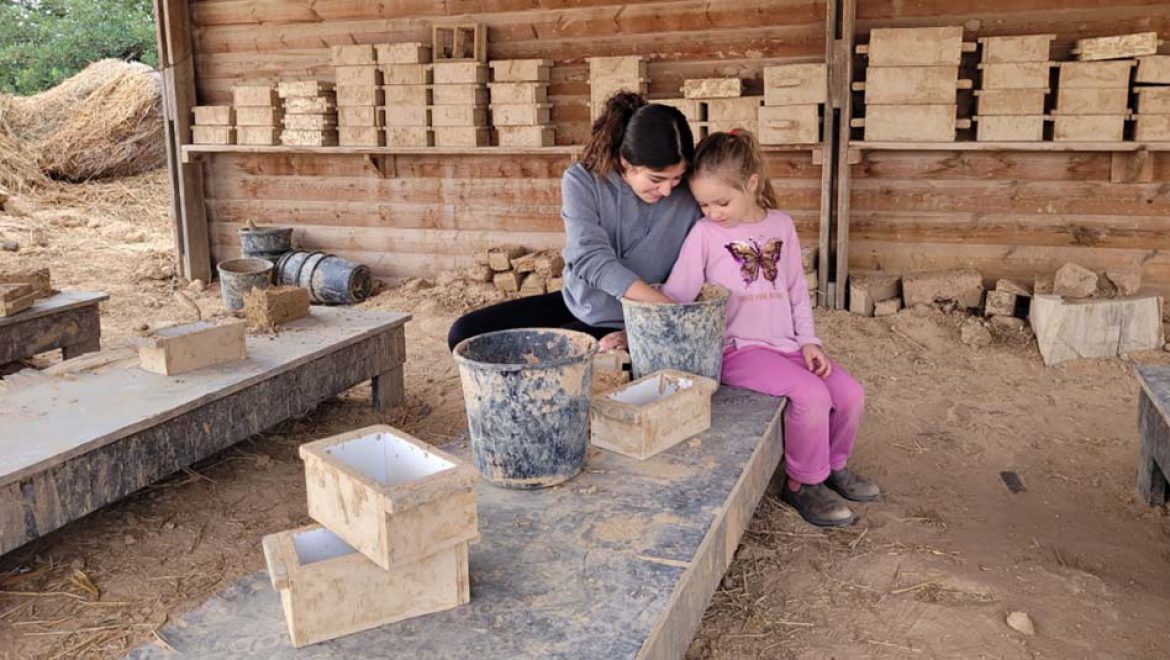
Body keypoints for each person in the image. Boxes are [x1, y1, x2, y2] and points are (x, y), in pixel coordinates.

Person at [661, 130, 879, 527]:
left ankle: (833, 466)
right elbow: (676, 294)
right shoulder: (705, 234)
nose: (712, 211)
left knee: (849, 394)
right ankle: (801, 484)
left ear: (752, 184)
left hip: (787, 346)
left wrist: (809, 342)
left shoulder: (782, 225)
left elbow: (795, 290)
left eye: (721, 202)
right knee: (811, 395)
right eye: (703, 204)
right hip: (738, 351)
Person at [447, 92, 703, 351]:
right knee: (465, 334)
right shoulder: (583, 180)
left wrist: (639, 329)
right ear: (625, 161)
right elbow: (590, 258)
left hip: (637, 320)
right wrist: (668, 311)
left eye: (677, 178)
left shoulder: (692, 196)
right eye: (656, 179)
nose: (669, 191)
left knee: (556, 359)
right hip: (582, 305)